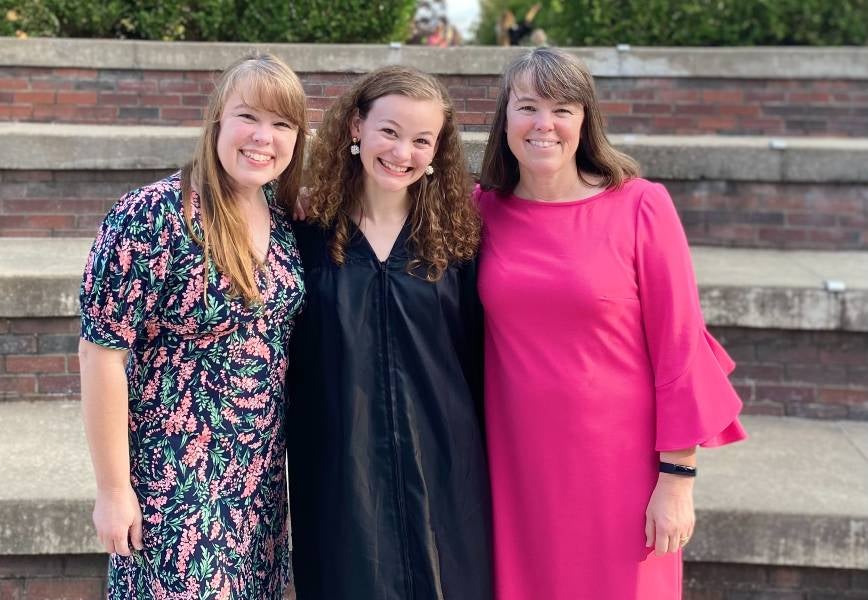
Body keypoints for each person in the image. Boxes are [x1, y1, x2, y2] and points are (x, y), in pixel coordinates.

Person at [476, 47, 746, 599]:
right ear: (505, 118)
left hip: (621, 471)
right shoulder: (480, 211)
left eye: (562, 109)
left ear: (585, 120)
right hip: (515, 471)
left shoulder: (640, 205)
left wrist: (677, 480)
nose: (543, 124)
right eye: (527, 107)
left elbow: (680, 347)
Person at [78, 53, 308, 599]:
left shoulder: (282, 215)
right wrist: (113, 490)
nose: (263, 137)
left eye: (282, 124)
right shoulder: (154, 215)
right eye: (249, 117)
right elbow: (100, 354)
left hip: (258, 481)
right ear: (217, 122)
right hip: (174, 480)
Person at [286, 65, 492, 600]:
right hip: (340, 466)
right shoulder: (306, 231)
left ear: (437, 151)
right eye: (390, 132)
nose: (403, 152)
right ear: (357, 127)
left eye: (421, 140)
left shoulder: (457, 239)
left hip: (447, 462)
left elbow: (478, 351)